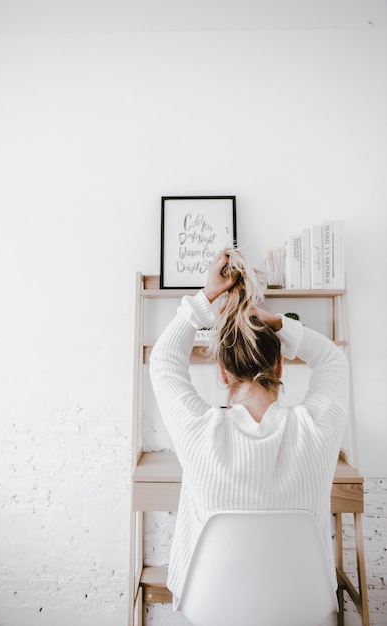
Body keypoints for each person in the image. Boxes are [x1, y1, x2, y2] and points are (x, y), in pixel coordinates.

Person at [149, 248, 348, 611]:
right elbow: (334, 359)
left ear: (222, 372)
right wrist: (277, 322)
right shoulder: (316, 430)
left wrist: (207, 295)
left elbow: (162, 360)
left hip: (207, 609)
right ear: (281, 366)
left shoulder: (198, 431)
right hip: (302, 608)